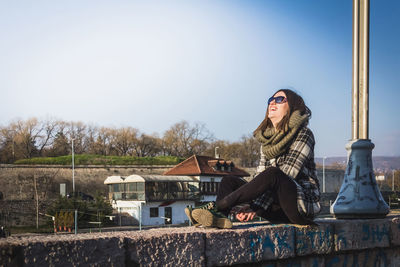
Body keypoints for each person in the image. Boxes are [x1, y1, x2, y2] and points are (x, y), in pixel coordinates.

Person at [186, 89, 321, 228]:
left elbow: (287, 173)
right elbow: (259, 179)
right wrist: (251, 205)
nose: (272, 102)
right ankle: (220, 218)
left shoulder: (304, 134)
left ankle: (216, 207)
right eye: (271, 100)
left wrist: (257, 207)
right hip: (275, 208)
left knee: (273, 173)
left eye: (280, 99)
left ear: (292, 107)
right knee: (229, 180)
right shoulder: (267, 140)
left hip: (299, 206)